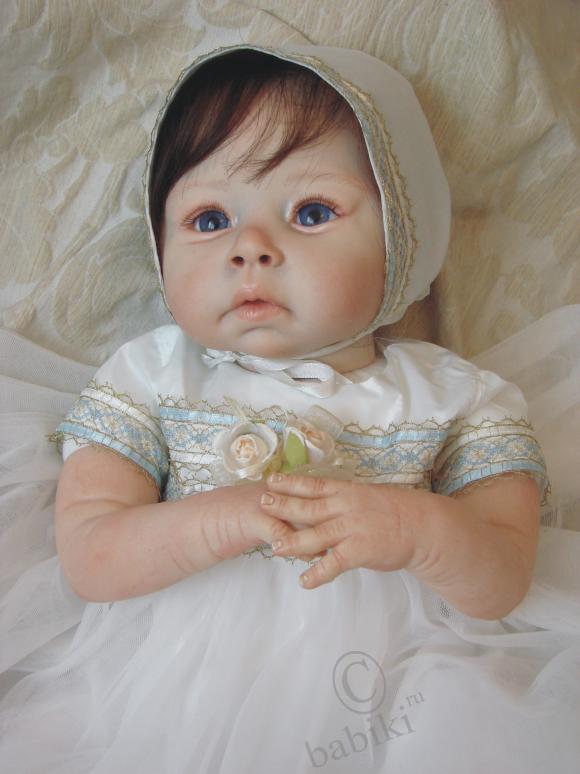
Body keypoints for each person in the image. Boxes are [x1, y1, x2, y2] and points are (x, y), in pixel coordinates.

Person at [1, 43, 579, 774]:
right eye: (209, 219)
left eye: (310, 212)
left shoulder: (455, 398)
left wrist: (418, 531)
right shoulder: (151, 377)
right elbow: (89, 556)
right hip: (174, 696)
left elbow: (503, 580)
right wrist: (222, 519)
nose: (250, 248)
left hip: (401, 689)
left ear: (406, 234)